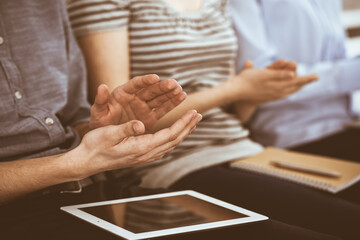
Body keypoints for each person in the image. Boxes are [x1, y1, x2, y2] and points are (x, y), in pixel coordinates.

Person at [65, 0, 351, 239]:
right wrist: (236, 88)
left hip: (245, 151)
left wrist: (254, 92)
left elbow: (231, 114)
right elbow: (120, 121)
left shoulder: (216, 2)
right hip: (169, 163)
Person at [0, 1, 202, 239]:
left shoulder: (46, 7)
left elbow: (72, 118)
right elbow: (77, 160)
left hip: (89, 191)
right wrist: (72, 164)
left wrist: (107, 130)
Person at [229, 0, 360, 160]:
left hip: (348, 121)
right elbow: (262, 81)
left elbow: (337, 55)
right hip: (297, 135)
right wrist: (351, 72)